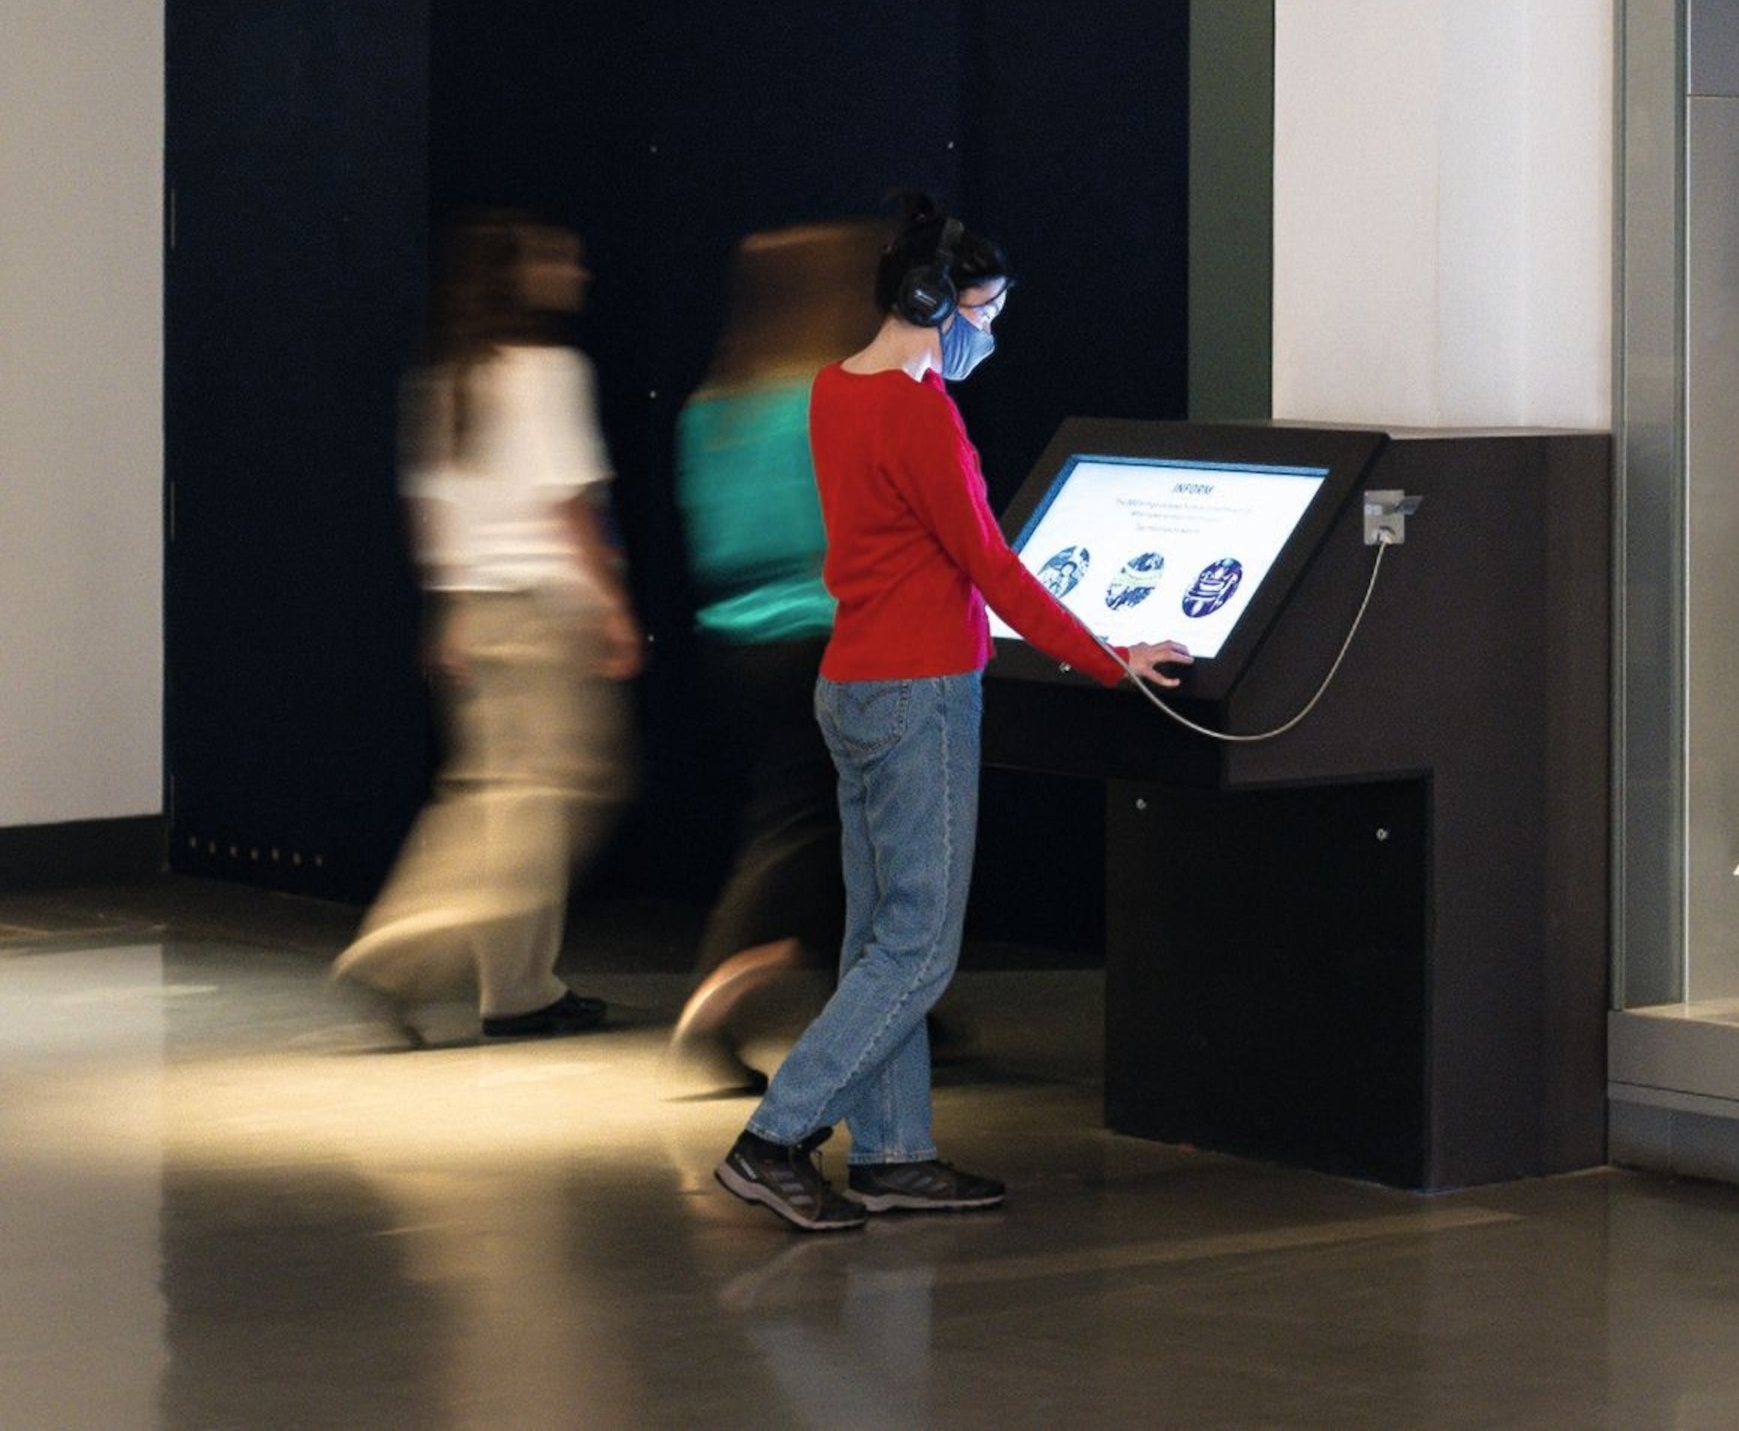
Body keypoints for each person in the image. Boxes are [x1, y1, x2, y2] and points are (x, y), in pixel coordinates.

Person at [714, 194, 1190, 1232]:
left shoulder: (834, 390)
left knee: (876, 937)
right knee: (919, 949)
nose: (992, 329)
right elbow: (993, 568)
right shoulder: (921, 415)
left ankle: (893, 1153)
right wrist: (1113, 660)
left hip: (853, 687)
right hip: (920, 695)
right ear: (934, 302)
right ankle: (773, 1137)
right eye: (986, 308)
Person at [335, 211, 639, 1039]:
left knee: (503, 795)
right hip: (546, 615)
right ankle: (400, 947)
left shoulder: (445, 377)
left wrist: (450, 607)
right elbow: (569, 503)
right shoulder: (549, 371)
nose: (576, 275)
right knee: (549, 796)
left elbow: (428, 508)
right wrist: (612, 605)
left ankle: (519, 989)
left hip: (479, 611)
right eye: (558, 261)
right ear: (517, 277)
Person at [666, 221, 882, 1095]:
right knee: (813, 828)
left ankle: (885, 1003)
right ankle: (723, 995)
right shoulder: (829, 398)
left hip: (741, 640)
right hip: (826, 635)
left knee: (825, 821)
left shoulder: (713, 407)